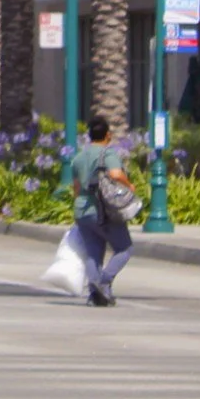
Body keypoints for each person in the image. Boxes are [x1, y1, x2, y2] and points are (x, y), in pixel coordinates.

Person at [66, 116, 134, 306]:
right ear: (107, 135)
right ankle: (103, 281)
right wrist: (130, 185)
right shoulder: (107, 153)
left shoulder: (78, 158)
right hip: (102, 209)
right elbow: (115, 174)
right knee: (125, 248)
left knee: (93, 253)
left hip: (82, 210)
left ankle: (95, 294)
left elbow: (76, 188)